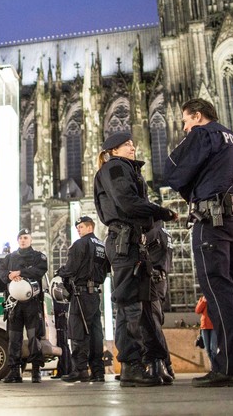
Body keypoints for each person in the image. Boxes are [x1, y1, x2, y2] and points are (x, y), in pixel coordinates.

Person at [164, 98, 233, 388]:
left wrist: (193, 188)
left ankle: (229, 367)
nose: (185, 128)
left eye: (185, 121)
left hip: (213, 220)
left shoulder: (203, 133)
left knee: (218, 290)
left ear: (197, 116)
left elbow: (172, 172)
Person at [94, 132, 177, 387]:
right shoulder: (115, 168)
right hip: (124, 242)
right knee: (129, 304)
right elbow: (128, 204)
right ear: (113, 150)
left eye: (132, 143)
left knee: (140, 304)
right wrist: (161, 212)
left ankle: (150, 361)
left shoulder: (126, 169)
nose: (133, 147)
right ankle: (131, 366)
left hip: (132, 242)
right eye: (127, 144)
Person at [56, 216, 109, 383]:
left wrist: (60, 273)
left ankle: (80, 370)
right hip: (95, 294)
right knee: (95, 332)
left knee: (78, 331)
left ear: (90, 227)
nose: (78, 229)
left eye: (81, 227)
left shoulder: (79, 244)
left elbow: (71, 268)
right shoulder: (102, 245)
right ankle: (98, 372)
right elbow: (106, 269)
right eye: (78, 227)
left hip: (80, 294)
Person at [0, 228, 48, 383]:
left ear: (30, 239)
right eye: (20, 238)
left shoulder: (38, 257)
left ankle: (35, 371)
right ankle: (14, 372)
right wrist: (9, 275)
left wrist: (19, 272)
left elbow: (39, 270)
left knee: (34, 338)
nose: (23, 240)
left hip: (32, 304)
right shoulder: (10, 257)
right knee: (14, 339)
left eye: (26, 237)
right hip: (14, 305)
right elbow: (1, 272)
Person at [139, 221, 175, 384]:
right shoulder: (166, 233)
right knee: (155, 322)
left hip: (152, 279)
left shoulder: (153, 233)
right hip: (162, 279)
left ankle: (162, 365)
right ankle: (167, 366)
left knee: (151, 323)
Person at [50, 295, 72, 379]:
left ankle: (63, 371)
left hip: (60, 319)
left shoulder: (58, 297)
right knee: (64, 345)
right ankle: (66, 370)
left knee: (62, 346)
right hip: (62, 319)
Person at [196, 295, 216, 369]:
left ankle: (215, 368)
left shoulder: (216, 297)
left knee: (213, 348)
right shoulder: (203, 299)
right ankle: (214, 367)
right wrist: (204, 301)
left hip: (215, 326)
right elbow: (197, 310)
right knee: (207, 349)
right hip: (204, 326)